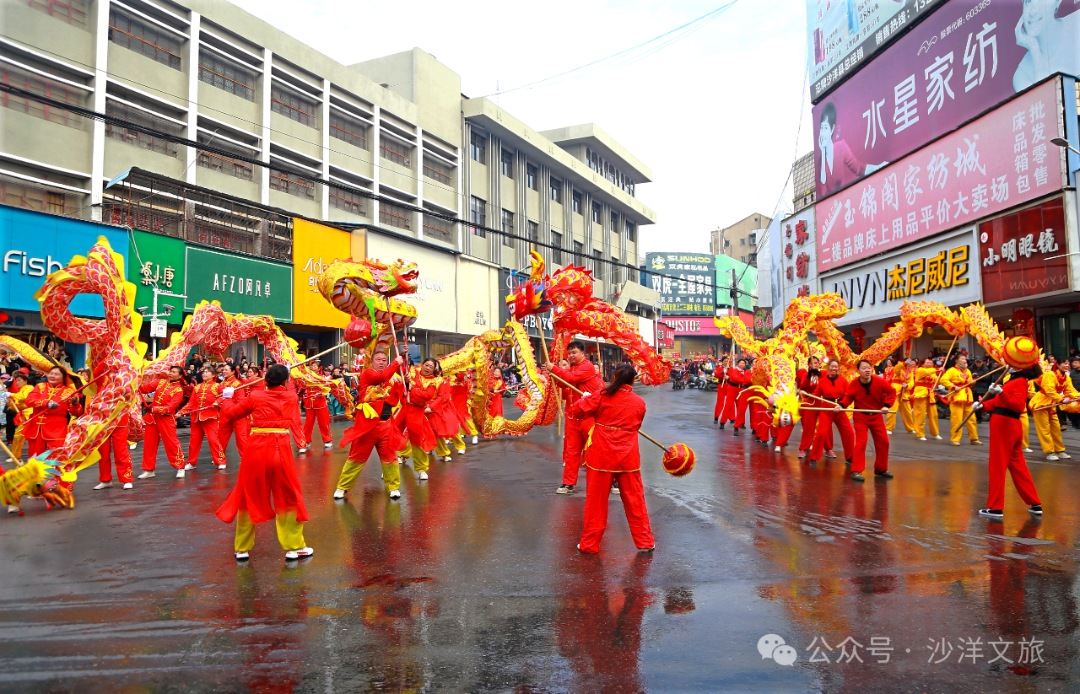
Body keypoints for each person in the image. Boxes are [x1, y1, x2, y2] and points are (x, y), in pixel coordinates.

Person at [216, 363, 313, 562]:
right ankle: (294, 547)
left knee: (248, 495)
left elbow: (231, 414)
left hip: (256, 449)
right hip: (281, 450)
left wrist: (227, 398)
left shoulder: (255, 396)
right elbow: (287, 389)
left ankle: (242, 548)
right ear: (285, 381)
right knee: (288, 497)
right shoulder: (291, 397)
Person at [568, 363, 654, 554]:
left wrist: (585, 399)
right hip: (628, 457)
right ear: (633, 380)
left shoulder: (601, 395)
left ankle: (589, 544)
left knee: (596, 503)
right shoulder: (639, 402)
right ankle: (645, 542)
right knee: (635, 501)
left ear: (614, 377)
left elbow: (577, 411)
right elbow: (637, 423)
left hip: (601, 455)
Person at [975, 336, 1044, 519]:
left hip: (1005, 424)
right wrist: (982, 406)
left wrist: (1001, 392)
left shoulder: (1019, 381)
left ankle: (995, 507)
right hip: (1009, 424)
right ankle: (1035, 503)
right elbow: (998, 402)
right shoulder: (1015, 379)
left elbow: (1017, 405)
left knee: (997, 466)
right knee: (1018, 466)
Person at [334, 352, 406, 500]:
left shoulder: (391, 378)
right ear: (372, 362)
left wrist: (406, 377)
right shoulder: (368, 374)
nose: (381, 362)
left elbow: (400, 390)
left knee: (390, 458)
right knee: (356, 457)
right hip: (367, 426)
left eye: (384, 360)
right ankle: (342, 487)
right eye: (378, 360)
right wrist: (396, 362)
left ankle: (393, 487)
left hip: (386, 425)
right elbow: (382, 377)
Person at [543, 341, 604, 495]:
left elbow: (570, 378)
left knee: (597, 450)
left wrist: (554, 369)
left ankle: (612, 480)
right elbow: (565, 387)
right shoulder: (572, 369)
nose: (570, 355)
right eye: (569, 353)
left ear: (583, 353)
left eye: (574, 352)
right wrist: (554, 377)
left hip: (588, 416)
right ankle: (568, 483)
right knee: (572, 452)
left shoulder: (587, 367)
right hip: (573, 416)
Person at [838, 359, 896, 482]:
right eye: (864, 368)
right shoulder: (854, 383)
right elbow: (848, 398)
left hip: (876, 416)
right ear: (858, 371)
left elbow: (891, 391)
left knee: (884, 442)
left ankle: (881, 469)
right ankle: (856, 470)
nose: (867, 370)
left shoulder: (879, 381)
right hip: (860, 416)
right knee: (861, 443)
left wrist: (887, 405)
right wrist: (841, 405)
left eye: (869, 367)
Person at [817, 102, 887, 195]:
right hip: (836, 203)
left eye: (825, 128)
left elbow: (859, 168)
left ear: (832, 129)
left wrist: (877, 167)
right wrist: (822, 151)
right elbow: (823, 192)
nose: (822, 133)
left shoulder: (841, 147)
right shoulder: (821, 162)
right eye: (821, 128)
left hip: (853, 197)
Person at [1011, 0, 1080, 91]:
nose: (1033, 12)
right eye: (1028, 1)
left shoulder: (1077, 22)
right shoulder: (1022, 75)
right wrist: (1035, 50)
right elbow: (1045, 97)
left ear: (1057, 2)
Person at [394, 358, 441, 481]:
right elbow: (399, 369)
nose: (427, 368)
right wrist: (403, 356)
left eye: (431, 367)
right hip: (404, 407)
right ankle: (388, 467)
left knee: (417, 441)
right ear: (422, 364)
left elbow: (427, 396)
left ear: (434, 370)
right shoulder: (412, 372)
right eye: (426, 365)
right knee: (391, 436)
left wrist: (412, 389)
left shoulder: (433, 382)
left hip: (417, 411)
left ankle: (421, 469)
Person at [138, 366, 186, 478]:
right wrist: (136, 381)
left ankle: (180, 466)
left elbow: (170, 407)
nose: (171, 373)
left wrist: (154, 409)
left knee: (171, 443)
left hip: (166, 418)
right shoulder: (161, 382)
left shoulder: (178, 390)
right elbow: (145, 389)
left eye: (174, 372)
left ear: (180, 376)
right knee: (149, 443)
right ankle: (149, 469)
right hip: (152, 417)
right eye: (170, 371)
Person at [24, 366, 81, 457]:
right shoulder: (40, 386)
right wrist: (46, 403)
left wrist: (75, 404)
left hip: (56, 428)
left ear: (63, 377)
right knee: (35, 457)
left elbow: (77, 413)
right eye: (51, 373)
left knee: (57, 456)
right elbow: (29, 401)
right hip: (37, 427)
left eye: (56, 374)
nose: (52, 376)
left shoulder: (69, 392)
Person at [178, 367, 227, 472]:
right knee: (194, 441)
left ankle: (220, 461)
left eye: (207, 372)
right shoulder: (197, 387)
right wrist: (181, 412)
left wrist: (217, 402)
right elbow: (191, 403)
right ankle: (191, 462)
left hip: (210, 417)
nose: (204, 374)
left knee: (213, 440)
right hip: (196, 417)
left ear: (213, 375)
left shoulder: (217, 386)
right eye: (203, 372)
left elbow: (224, 396)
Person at [1029, 356, 1077, 461]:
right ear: (1058, 365)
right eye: (1064, 363)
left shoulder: (1067, 378)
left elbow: (1069, 391)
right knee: (1044, 429)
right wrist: (1062, 399)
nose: (1067, 365)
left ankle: (1059, 450)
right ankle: (1049, 452)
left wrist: (1077, 396)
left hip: (1052, 405)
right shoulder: (1050, 375)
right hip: (1041, 404)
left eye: (1068, 363)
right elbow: (1049, 390)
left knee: (1056, 428)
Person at [808, 359, 854, 463]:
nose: (834, 368)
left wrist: (843, 404)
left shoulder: (843, 380)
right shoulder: (823, 381)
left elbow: (849, 395)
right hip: (826, 409)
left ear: (838, 368)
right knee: (821, 433)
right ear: (828, 367)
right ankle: (814, 457)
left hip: (839, 408)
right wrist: (806, 394)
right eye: (832, 366)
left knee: (849, 433)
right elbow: (816, 395)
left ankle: (850, 457)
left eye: (836, 366)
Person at [938, 354, 982, 446]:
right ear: (956, 360)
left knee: (971, 419)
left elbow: (969, 383)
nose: (964, 360)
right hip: (957, 397)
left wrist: (973, 382)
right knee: (956, 419)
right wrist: (953, 386)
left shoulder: (967, 370)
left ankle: (974, 438)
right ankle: (955, 439)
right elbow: (943, 380)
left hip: (967, 397)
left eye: (965, 359)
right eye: (962, 359)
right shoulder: (951, 370)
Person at [94, 412, 134, 491]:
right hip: (102, 420)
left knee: (121, 450)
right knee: (102, 452)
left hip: (120, 419)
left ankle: (127, 479)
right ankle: (105, 479)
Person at [217, 363, 250, 457]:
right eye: (223, 370)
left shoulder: (237, 384)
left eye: (226, 370)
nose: (224, 371)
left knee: (241, 436)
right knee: (221, 435)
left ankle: (245, 457)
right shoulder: (221, 384)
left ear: (233, 371)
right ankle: (219, 457)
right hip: (224, 412)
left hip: (237, 412)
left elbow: (241, 400)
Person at [797, 357, 824, 458]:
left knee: (825, 426)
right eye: (813, 363)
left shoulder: (823, 373)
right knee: (808, 426)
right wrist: (809, 376)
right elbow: (804, 387)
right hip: (810, 401)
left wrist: (819, 375)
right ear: (809, 364)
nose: (815, 365)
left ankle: (828, 449)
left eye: (817, 363)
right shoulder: (805, 374)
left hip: (821, 401)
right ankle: (803, 448)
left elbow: (825, 385)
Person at [910, 358, 941, 441]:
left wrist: (940, 374)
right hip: (921, 393)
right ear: (922, 364)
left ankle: (935, 433)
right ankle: (920, 434)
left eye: (930, 362)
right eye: (927, 362)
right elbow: (927, 372)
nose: (929, 364)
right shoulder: (920, 370)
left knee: (934, 414)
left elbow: (937, 382)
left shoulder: (932, 372)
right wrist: (938, 369)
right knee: (920, 414)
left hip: (930, 394)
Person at [299, 382, 333, 453]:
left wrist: (321, 393)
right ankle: (306, 441)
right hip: (309, 402)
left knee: (323, 422)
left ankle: (327, 440)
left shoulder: (322, 378)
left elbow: (327, 387)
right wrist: (300, 394)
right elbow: (302, 387)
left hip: (320, 402)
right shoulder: (305, 378)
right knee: (308, 424)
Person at [6, 372, 32, 462]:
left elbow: (24, 397)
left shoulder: (29, 388)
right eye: (16, 381)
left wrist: (11, 394)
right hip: (24, 415)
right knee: (18, 436)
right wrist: (9, 402)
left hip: (31, 414)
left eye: (19, 380)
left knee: (32, 437)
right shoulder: (20, 391)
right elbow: (16, 407)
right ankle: (15, 456)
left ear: (25, 381)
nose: (17, 382)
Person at [885, 358, 915, 434]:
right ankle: (888, 428)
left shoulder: (911, 372)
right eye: (910, 362)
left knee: (907, 411)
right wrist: (904, 363)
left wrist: (907, 386)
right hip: (895, 390)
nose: (911, 364)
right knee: (893, 409)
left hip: (904, 392)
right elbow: (897, 368)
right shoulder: (899, 368)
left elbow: (912, 382)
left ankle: (910, 428)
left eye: (912, 363)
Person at [450, 370, 479, 445]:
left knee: (466, 419)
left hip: (463, 402)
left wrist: (469, 400)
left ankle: (474, 434)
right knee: (453, 420)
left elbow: (470, 391)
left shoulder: (466, 381)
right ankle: (451, 437)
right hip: (453, 403)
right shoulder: (449, 379)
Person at [730, 359, 753, 435]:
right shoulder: (748, 371)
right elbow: (747, 380)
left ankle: (755, 428)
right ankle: (737, 426)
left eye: (743, 363)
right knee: (741, 409)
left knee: (755, 411)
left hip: (755, 391)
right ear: (751, 363)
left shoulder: (760, 372)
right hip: (745, 390)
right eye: (755, 362)